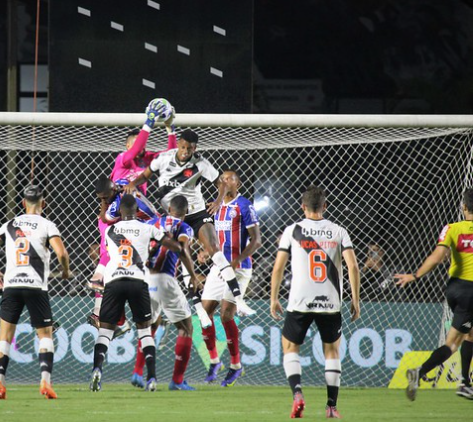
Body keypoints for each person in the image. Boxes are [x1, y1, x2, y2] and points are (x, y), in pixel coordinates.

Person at [125, 129, 256, 317]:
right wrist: (133, 183)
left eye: (190, 148)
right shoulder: (164, 158)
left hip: (196, 213)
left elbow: (223, 183)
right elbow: (146, 174)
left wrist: (218, 201)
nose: (186, 151)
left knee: (215, 251)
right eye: (184, 147)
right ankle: (198, 309)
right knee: (182, 256)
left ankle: (239, 301)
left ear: (195, 148)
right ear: (178, 144)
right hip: (174, 216)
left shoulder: (200, 163)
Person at [270, 185, 360, 419]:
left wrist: (273, 298)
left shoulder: (293, 230)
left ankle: (298, 393)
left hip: (300, 300)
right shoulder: (339, 231)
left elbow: (278, 267)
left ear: (302, 206)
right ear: (325, 206)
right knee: (332, 351)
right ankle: (331, 407)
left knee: (290, 348)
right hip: (331, 301)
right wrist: (355, 300)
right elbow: (352, 266)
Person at [89, 100, 177, 320]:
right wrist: (148, 122)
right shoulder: (123, 160)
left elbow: (171, 154)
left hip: (135, 217)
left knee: (141, 257)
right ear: (128, 146)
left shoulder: (145, 163)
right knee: (109, 253)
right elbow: (138, 147)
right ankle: (100, 309)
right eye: (135, 144)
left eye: (142, 144)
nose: (140, 147)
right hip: (113, 212)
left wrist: (170, 128)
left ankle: (151, 304)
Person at [0, 185, 70, 400]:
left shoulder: (10, 224)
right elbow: (62, 253)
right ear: (43, 203)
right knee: (45, 335)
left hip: (11, 285)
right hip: (36, 286)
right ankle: (45, 382)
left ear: (22, 203)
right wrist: (65, 271)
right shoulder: (48, 225)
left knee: (4, 336)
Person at [90, 194, 182, 393]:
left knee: (105, 331)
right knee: (144, 331)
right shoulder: (148, 228)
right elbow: (174, 245)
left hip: (114, 281)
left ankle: (97, 369)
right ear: (136, 210)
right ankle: (151, 378)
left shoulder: (111, 230)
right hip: (138, 282)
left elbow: (109, 252)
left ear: (121, 211)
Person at [394, 188, 473, 401]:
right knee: (453, 343)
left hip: (454, 289)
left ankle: (465, 382)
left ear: (464, 207)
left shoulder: (451, 229)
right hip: (471, 292)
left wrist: (415, 275)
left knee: (469, 334)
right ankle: (419, 373)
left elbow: (438, 256)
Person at [131, 195, 200, 391]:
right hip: (166, 279)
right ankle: (177, 380)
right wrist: (193, 276)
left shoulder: (152, 222)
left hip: (146, 279)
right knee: (186, 327)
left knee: (148, 327)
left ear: (169, 208)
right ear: (185, 213)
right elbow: (183, 248)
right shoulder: (185, 228)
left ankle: (137, 372)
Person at [201, 170, 262, 387]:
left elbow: (256, 241)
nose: (226, 182)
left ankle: (235, 365)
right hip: (218, 266)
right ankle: (215, 361)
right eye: (223, 179)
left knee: (227, 315)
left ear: (239, 183)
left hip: (239, 268)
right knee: (204, 313)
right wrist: (204, 251)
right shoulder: (213, 207)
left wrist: (237, 261)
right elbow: (211, 237)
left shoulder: (244, 206)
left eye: (231, 179)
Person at [87, 176, 161, 332]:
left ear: (113, 190)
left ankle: (100, 276)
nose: (105, 200)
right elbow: (127, 180)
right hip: (151, 223)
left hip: (149, 230)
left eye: (105, 197)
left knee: (109, 234)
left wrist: (103, 204)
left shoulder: (116, 204)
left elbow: (105, 219)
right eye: (101, 199)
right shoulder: (122, 184)